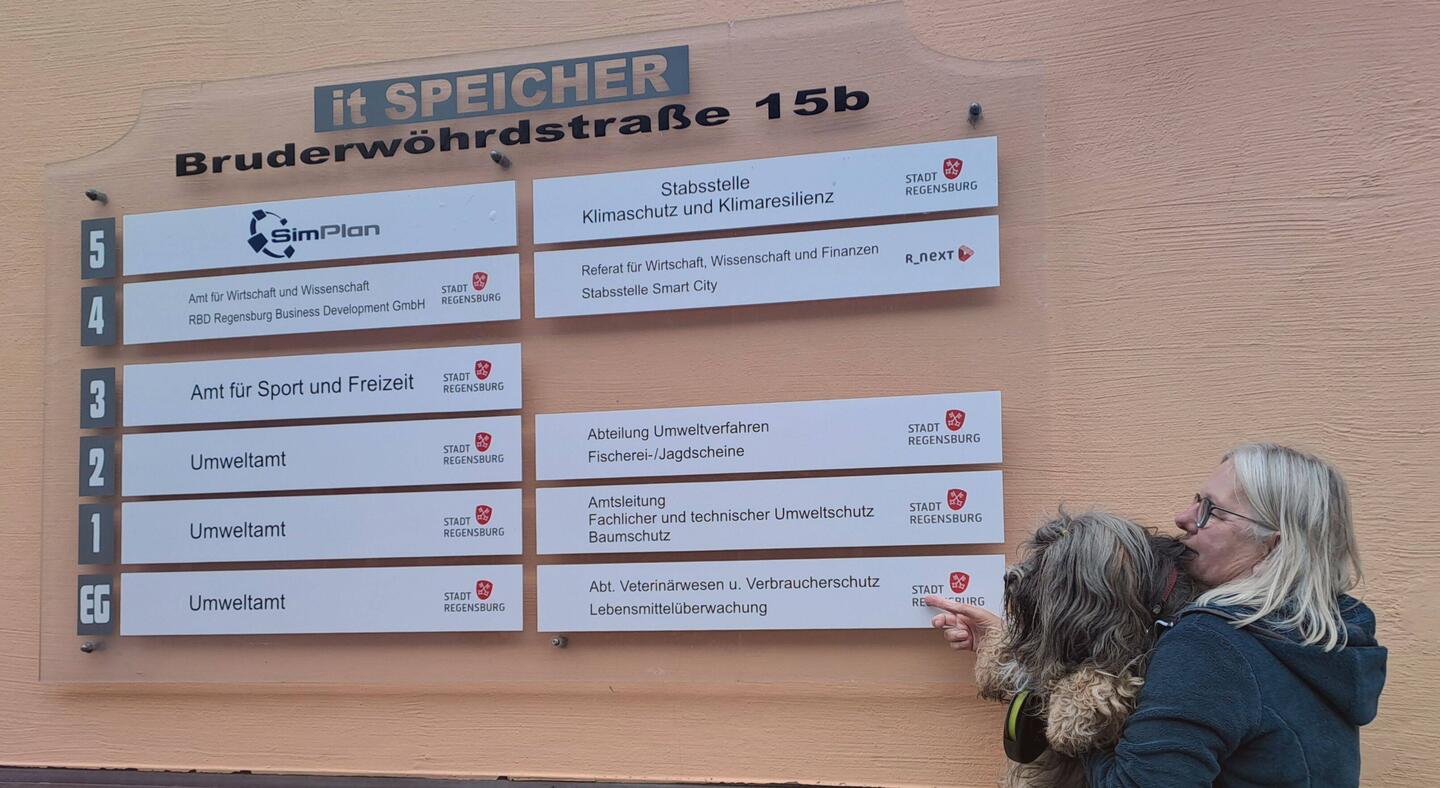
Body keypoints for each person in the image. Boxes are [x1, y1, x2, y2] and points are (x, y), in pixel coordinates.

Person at [928, 443, 1387, 787]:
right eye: (1195, 499)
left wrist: (1071, 702)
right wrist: (1019, 644)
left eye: (1211, 511)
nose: (1184, 517)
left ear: (1273, 545)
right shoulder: (1318, 638)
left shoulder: (1212, 645)